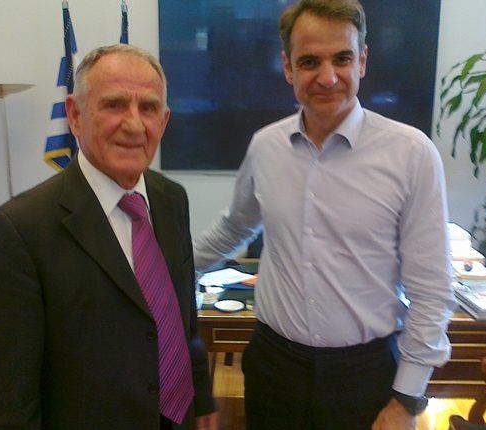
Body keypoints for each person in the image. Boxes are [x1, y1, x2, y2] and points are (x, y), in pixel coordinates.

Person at [193, 1, 455, 429]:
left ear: (363, 61)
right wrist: (169, 267)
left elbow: (432, 289)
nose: (328, 77)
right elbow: (235, 226)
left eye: (342, 59)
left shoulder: (411, 155)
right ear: (288, 67)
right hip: (274, 368)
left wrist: (406, 400)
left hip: (365, 376)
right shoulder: (265, 146)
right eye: (310, 61)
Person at [0, 44, 217, 430]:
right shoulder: (19, 231)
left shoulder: (171, 200)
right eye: (114, 104)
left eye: (148, 108)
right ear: (74, 114)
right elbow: (4, 402)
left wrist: (201, 401)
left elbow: (183, 319)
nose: (134, 125)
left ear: (164, 121)